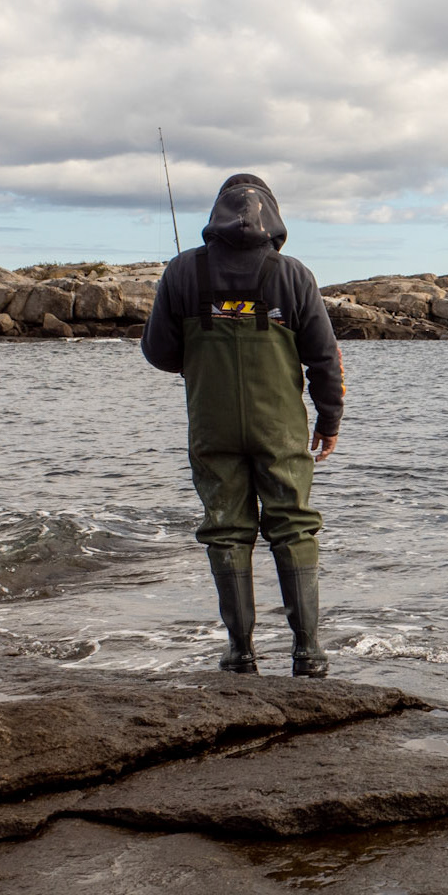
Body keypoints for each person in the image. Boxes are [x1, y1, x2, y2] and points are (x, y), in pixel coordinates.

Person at [141, 174, 344, 677]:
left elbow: (158, 351)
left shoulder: (183, 271)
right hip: (279, 427)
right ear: (272, 217)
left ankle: (240, 652)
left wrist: (197, 354)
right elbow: (324, 358)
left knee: (226, 530)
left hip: (212, 424)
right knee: (292, 526)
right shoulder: (292, 274)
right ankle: (308, 652)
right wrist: (329, 419)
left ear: (216, 215)